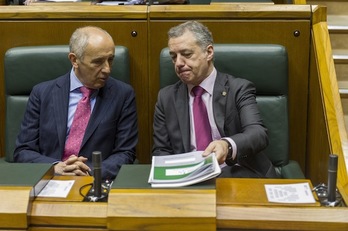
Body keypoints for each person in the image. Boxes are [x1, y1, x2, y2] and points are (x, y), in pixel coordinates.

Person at [152, 21, 278, 178]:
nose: (178, 63)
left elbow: (258, 133)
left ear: (209, 52)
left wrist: (227, 145)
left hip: (238, 172)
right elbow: (161, 151)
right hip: (190, 178)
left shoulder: (238, 88)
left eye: (186, 54)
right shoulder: (166, 98)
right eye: (173, 56)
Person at [14, 26, 138, 180]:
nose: (107, 69)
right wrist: (55, 167)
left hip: (95, 180)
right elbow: (23, 151)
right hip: (50, 179)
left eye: (110, 60)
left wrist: (89, 172)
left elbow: (125, 153)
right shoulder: (42, 93)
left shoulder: (123, 95)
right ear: (74, 60)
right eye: (98, 62)